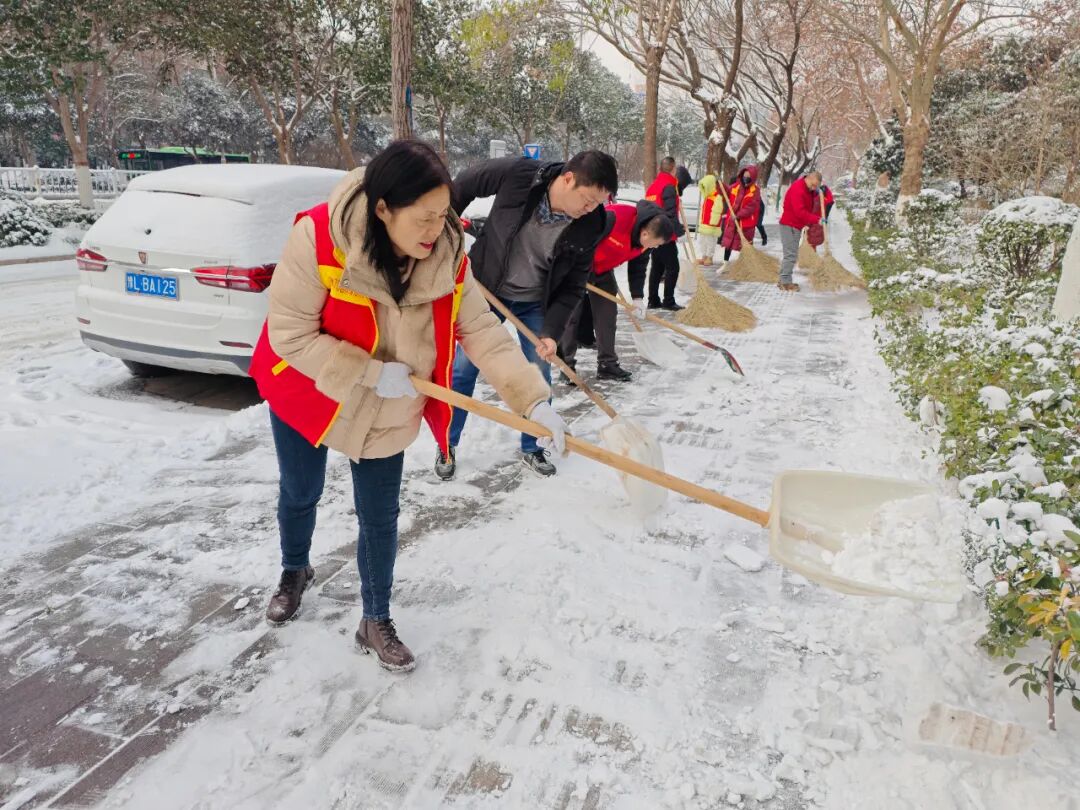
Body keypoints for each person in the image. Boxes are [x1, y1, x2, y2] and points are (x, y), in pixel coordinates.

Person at [249, 140, 567, 672]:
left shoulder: (447, 254)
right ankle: (294, 569)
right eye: (422, 218)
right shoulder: (320, 238)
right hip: (312, 385)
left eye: (443, 215)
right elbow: (289, 335)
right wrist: (370, 373)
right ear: (382, 209)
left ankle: (375, 618)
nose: (433, 230)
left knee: (380, 515)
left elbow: (482, 333)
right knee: (300, 492)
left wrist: (532, 401)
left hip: (388, 407)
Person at [438, 150, 618, 480]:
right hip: (485, 289)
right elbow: (462, 185)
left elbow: (574, 285)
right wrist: (443, 231)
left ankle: (532, 446)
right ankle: (447, 443)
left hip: (535, 301)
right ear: (568, 178)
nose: (592, 209)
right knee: (463, 368)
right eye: (589, 200)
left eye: (598, 203)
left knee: (538, 375)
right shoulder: (520, 175)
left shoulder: (591, 223)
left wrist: (551, 332)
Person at [560, 200, 674, 383]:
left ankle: (607, 365)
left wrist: (637, 298)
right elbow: (580, 238)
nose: (656, 247)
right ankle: (566, 365)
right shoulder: (614, 218)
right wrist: (573, 270)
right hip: (577, 267)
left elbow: (638, 268)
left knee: (607, 316)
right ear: (645, 233)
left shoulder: (645, 243)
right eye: (657, 243)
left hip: (603, 270)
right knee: (571, 316)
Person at [640, 157, 689, 311]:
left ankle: (653, 300)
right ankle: (669, 300)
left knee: (657, 268)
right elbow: (670, 214)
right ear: (673, 169)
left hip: (652, 235)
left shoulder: (653, 186)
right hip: (665, 235)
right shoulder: (668, 187)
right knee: (673, 268)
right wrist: (679, 232)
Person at [777, 170, 823, 292]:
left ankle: (783, 280)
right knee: (790, 255)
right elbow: (800, 211)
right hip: (790, 225)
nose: (814, 188)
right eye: (813, 185)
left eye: (816, 186)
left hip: (794, 225)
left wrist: (807, 223)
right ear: (809, 178)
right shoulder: (799, 189)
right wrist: (816, 219)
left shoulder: (806, 189)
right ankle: (785, 282)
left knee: (790, 254)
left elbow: (807, 206)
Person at [719, 165, 761, 262]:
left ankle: (746, 264)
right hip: (733, 221)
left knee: (744, 245)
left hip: (745, 223)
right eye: (744, 175)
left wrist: (738, 215)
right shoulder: (736, 186)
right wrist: (720, 185)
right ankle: (725, 262)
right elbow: (727, 192)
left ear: (753, 177)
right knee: (729, 243)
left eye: (748, 176)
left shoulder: (755, 190)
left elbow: (751, 207)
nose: (745, 178)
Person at [695, 172, 724, 265]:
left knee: (710, 241)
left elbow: (717, 210)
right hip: (704, 224)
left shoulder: (717, 197)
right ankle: (704, 256)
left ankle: (710, 257)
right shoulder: (707, 197)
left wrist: (713, 223)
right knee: (702, 241)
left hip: (711, 225)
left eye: (705, 186)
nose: (704, 189)